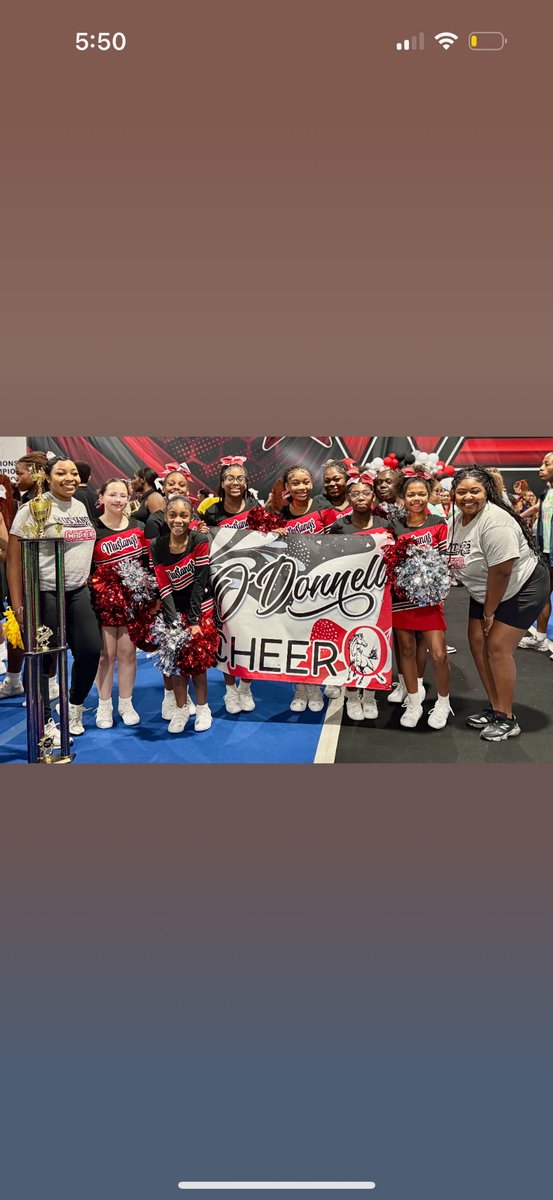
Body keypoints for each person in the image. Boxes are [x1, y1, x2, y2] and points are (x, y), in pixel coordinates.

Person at [449, 466, 550, 740]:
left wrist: (490, 612)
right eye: (461, 491)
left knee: (496, 647)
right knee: (477, 643)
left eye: (475, 491)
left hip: (521, 586)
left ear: (487, 492)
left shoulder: (496, 522)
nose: (468, 497)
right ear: (453, 494)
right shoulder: (457, 520)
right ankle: (496, 707)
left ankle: (507, 718)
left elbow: (502, 571)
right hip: (486, 589)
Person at [7, 457, 102, 741]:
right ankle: (44, 720)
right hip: (44, 592)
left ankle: (73, 706)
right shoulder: (31, 509)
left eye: (73, 473)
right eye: (61, 473)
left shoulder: (80, 506)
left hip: (77, 592)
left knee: (89, 650)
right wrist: (18, 604)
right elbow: (13, 559)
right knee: (43, 660)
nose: (69, 478)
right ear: (47, 477)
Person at [329, 471, 393, 721]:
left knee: (376, 643)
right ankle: (353, 694)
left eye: (365, 493)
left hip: (378, 597)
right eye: (354, 494)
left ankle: (370, 695)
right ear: (348, 498)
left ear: (373, 496)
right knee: (352, 644)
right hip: (349, 596)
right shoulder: (340, 525)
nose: (360, 497)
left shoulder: (385, 524)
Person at [390, 475, 452, 730]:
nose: (416, 499)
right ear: (402, 499)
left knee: (438, 653)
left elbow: (445, 560)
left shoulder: (439, 523)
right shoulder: (394, 525)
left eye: (421, 494)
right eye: (411, 495)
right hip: (401, 598)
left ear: (429, 495)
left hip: (429, 599)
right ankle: (414, 703)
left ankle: (443, 702)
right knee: (405, 649)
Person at [150, 497, 215, 733]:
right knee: (175, 661)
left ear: (191, 518)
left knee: (196, 661)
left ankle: (203, 707)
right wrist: (170, 620)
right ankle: (181, 709)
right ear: (166, 517)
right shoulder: (157, 544)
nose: (178, 520)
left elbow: (200, 581)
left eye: (184, 515)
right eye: (173, 515)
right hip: (173, 609)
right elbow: (163, 584)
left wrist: (195, 620)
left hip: (198, 607)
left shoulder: (199, 538)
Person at [277, 465, 338, 712]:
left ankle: (324, 681)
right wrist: (275, 535)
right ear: (287, 488)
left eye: (305, 482)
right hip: (294, 587)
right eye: (296, 483)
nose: (301, 487)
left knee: (323, 636)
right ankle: (303, 689)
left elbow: (341, 544)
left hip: (324, 587)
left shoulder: (325, 509)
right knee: (297, 638)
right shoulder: (280, 516)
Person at [90, 478, 150, 729]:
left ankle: (126, 702)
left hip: (131, 602)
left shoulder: (139, 527)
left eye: (122, 495)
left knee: (127, 654)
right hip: (102, 602)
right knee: (105, 655)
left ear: (129, 499)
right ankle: (104, 706)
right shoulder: (93, 529)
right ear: (101, 497)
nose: (118, 499)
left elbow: (147, 564)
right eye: (112, 494)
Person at [143, 467, 199, 721]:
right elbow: (154, 562)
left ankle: (188, 697)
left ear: (188, 490)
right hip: (165, 592)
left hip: (191, 595)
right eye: (171, 485)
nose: (176, 488)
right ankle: (171, 695)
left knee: (191, 649)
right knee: (169, 646)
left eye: (181, 485)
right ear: (163, 489)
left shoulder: (195, 521)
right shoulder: (155, 521)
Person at [203, 458, 259, 713]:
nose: (235, 482)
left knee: (251, 636)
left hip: (255, 583)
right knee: (226, 636)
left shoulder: (256, 508)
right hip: (223, 585)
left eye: (240, 478)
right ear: (222, 483)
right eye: (230, 478)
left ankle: (246, 687)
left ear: (247, 483)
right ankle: (229, 690)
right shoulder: (212, 512)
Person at [517, 452, 553, 655]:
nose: (541, 467)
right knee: (543, 593)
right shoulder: (547, 493)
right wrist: (519, 516)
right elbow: (539, 508)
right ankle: (540, 638)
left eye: (546, 464)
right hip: (546, 553)